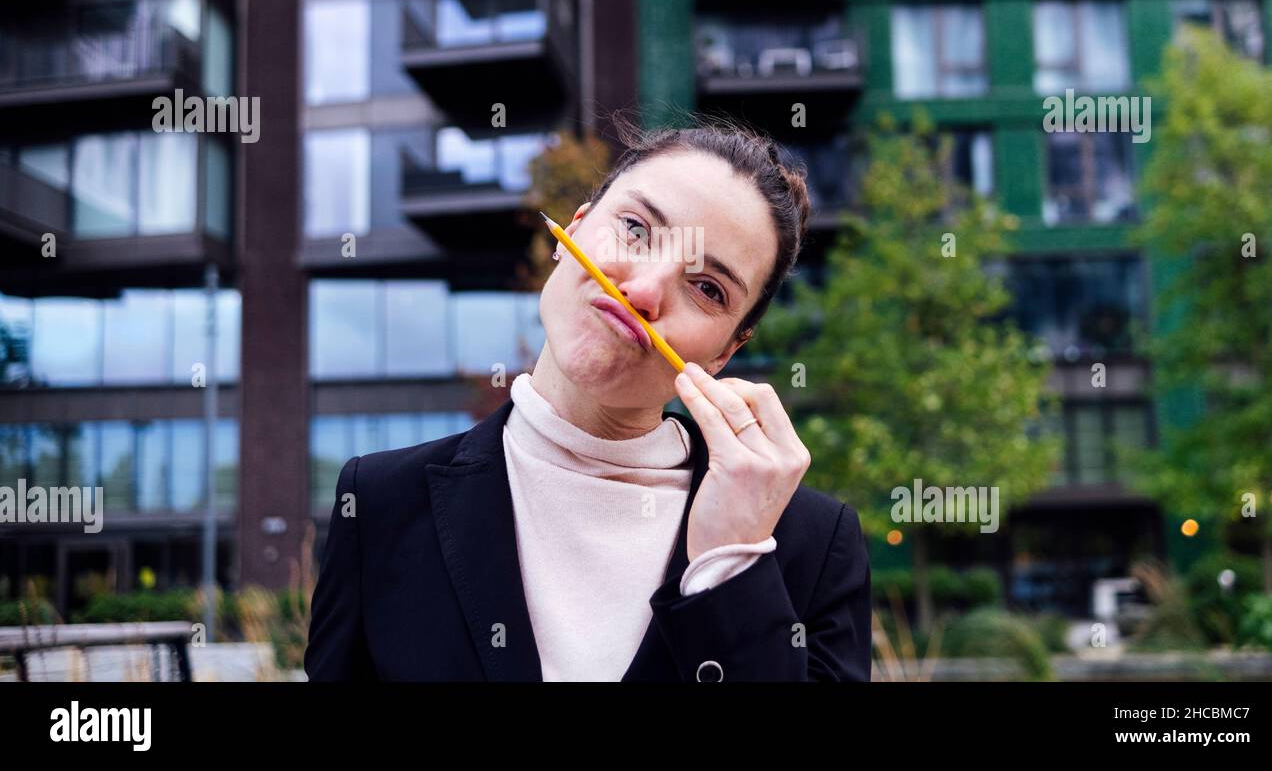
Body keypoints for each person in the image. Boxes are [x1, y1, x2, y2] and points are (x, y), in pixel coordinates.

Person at [304, 116, 872, 681]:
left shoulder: (809, 545)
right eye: (635, 228)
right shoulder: (379, 503)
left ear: (727, 350)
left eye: (706, 288)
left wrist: (728, 568)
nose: (643, 292)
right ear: (573, 230)